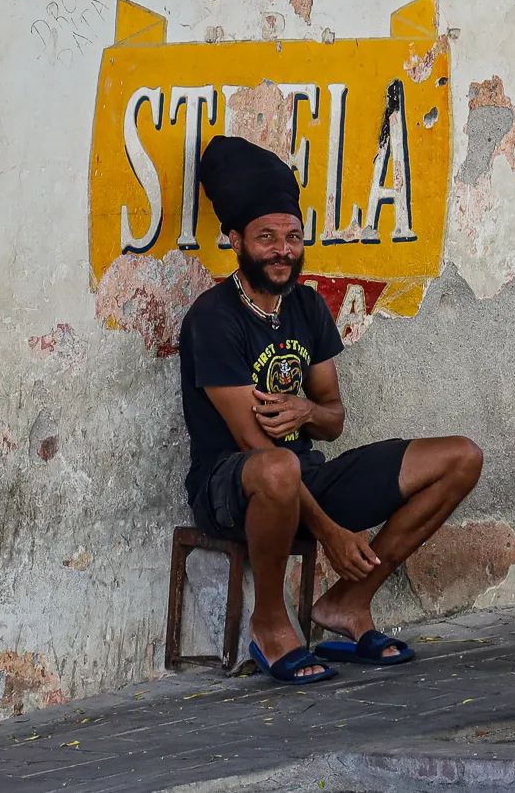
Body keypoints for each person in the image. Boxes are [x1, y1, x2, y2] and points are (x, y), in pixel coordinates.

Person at [177, 135, 484, 684]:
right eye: (266, 237)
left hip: (304, 473)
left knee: (461, 457)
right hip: (230, 486)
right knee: (277, 466)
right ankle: (270, 623)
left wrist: (306, 413)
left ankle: (348, 601)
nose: (283, 250)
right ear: (235, 241)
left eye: (292, 236)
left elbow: (335, 417)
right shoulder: (213, 319)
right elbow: (256, 446)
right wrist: (332, 533)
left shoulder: (308, 305)